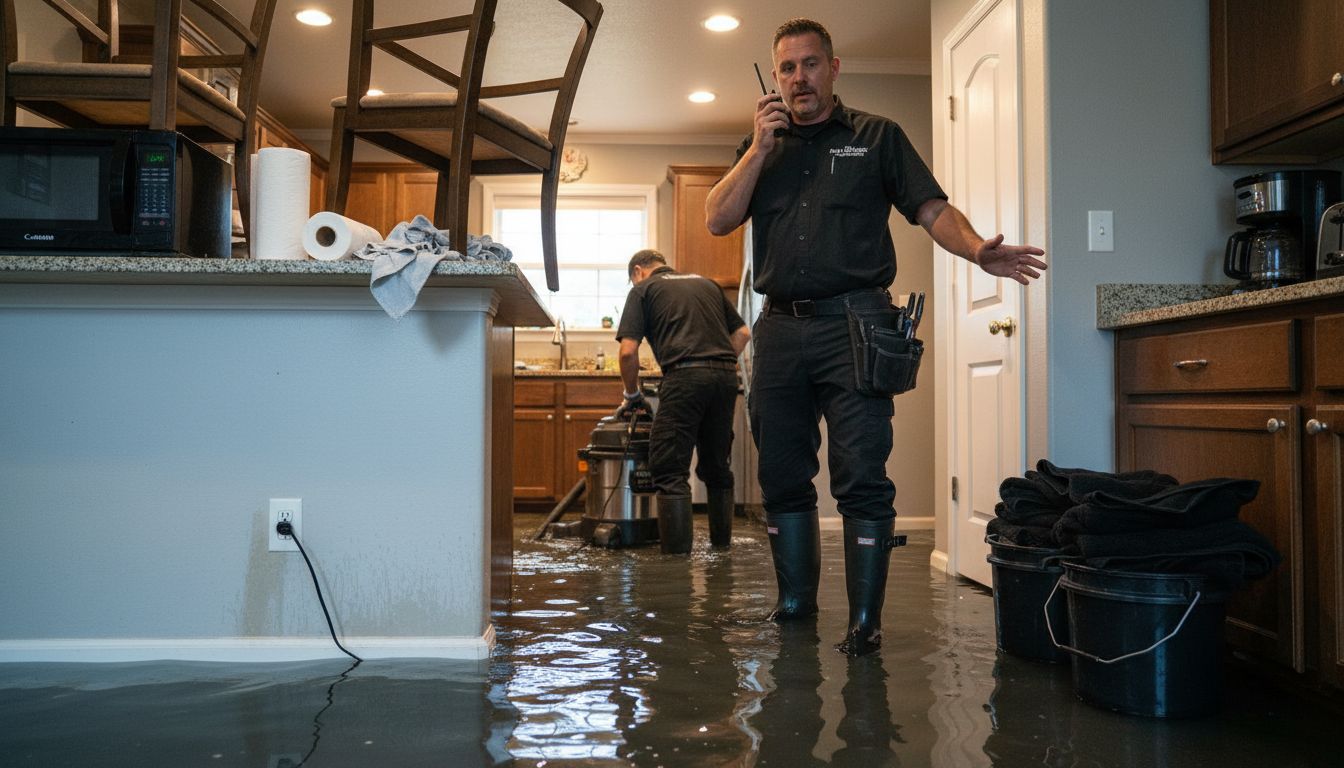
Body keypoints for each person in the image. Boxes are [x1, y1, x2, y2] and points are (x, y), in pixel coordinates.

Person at [705, 18, 1046, 656]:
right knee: (781, 474)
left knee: (862, 474)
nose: (798, 77)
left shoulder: (877, 137)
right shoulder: (760, 148)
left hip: (858, 325)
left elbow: (932, 209)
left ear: (833, 69)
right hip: (778, 329)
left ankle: (865, 620)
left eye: (810, 64)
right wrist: (756, 149)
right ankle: (795, 602)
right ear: (774, 77)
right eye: (786, 67)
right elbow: (718, 218)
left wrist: (978, 253)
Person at [615, 249, 751, 554]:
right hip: (725, 379)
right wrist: (720, 361)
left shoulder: (643, 289)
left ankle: (676, 567)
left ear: (638, 270)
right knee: (717, 466)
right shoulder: (706, 284)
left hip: (685, 377)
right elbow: (743, 333)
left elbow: (627, 352)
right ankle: (721, 550)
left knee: (668, 468)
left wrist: (632, 395)